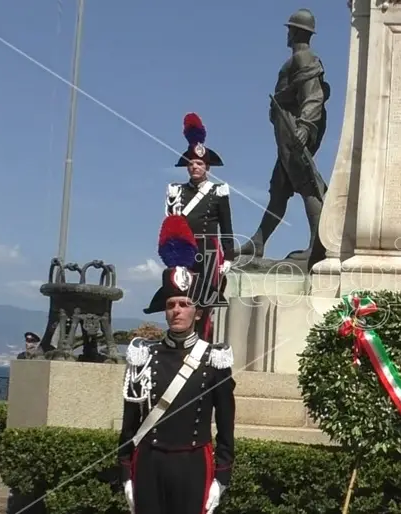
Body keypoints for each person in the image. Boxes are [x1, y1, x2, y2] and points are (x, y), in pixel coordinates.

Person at [119, 214, 236, 514]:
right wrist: (125, 473)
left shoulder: (215, 359)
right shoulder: (143, 356)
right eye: (171, 305)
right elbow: (129, 423)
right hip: (148, 462)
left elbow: (225, 424)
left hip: (193, 464)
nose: (176, 311)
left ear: (198, 313)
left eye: (184, 304)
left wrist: (221, 478)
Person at [239, 8, 330, 262]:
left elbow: (314, 96)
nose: (287, 33)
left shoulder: (305, 59)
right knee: (279, 189)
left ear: (298, 31)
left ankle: (319, 246)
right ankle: (258, 241)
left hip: (293, 132)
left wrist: (304, 127)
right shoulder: (296, 60)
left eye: (290, 29)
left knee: (307, 185)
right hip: (286, 132)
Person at [166, 112, 234, 342]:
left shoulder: (219, 192)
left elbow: (226, 227)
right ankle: (180, 338)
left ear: (208, 167)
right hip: (184, 250)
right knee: (180, 294)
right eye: (191, 163)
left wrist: (229, 258)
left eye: (199, 163)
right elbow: (170, 225)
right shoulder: (176, 191)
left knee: (205, 298)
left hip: (209, 252)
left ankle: (202, 340)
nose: (195, 167)